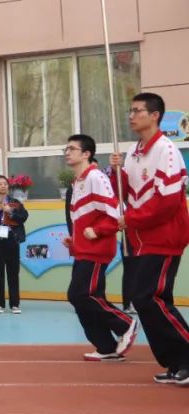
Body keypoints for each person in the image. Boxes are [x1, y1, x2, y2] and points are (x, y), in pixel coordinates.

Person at [110, 92, 189, 385]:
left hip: (165, 236)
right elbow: (125, 192)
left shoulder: (166, 151)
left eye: (137, 111)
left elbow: (166, 202)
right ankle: (175, 362)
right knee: (148, 299)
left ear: (154, 115)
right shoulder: (134, 151)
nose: (131, 116)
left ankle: (185, 358)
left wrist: (131, 219)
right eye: (130, 111)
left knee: (149, 296)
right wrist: (116, 172)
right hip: (141, 238)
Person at [62, 134, 138, 361]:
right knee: (86, 297)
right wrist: (74, 241)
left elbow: (118, 213)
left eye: (72, 149)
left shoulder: (96, 177)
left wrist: (97, 231)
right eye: (66, 149)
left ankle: (125, 324)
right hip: (84, 249)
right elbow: (84, 218)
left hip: (96, 249)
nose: (67, 152)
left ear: (86, 154)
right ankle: (106, 347)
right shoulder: (78, 182)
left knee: (80, 294)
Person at [0, 175, 28, 314]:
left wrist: (10, 212)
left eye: (5, 184)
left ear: (8, 186)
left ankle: (15, 304)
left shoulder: (15, 202)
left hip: (12, 239)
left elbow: (24, 217)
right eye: (0, 184)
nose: (3, 186)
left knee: (13, 273)